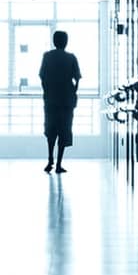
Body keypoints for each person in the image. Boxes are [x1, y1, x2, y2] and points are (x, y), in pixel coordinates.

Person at [39, 30, 81, 174]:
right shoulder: (71, 58)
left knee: (51, 131)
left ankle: (50, 159)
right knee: (63, 131)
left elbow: (42, 77)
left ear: (54, 41)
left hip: (51, 100)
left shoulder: (47, 56)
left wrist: (47, 92)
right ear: (65, 42)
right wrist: (73, 92)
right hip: (66, 101)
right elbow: (77, 79)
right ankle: (58, 164)